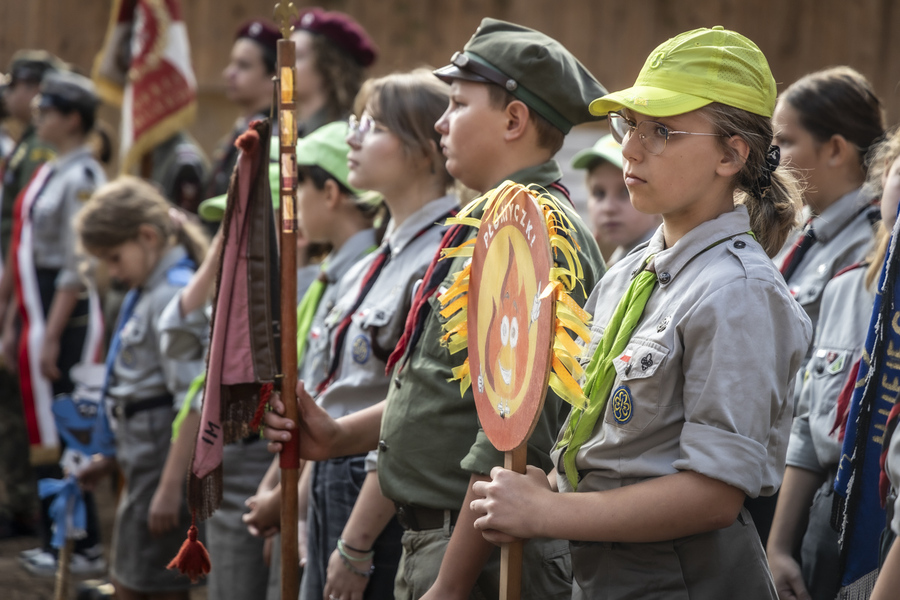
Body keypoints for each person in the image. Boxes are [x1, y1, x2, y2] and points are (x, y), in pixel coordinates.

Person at [465, 26, 813, 599]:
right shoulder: (629, 273)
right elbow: (620, 449)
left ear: (732, 154)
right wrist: (550, 488)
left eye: (662, 132)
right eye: (630, 126)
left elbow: (711, 498)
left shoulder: (739, 293)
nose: (629, 148)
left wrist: (546, 516)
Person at [265, 18, 606, 599]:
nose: (441, 124)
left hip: (475, 552)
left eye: (456, 104)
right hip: (442, 540)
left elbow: (514, 433)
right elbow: (449, 396)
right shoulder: (489, 224)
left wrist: (449, 583)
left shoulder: (533, 232)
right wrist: (334, 436)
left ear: (514, 119)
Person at [750, 65, 885, 548]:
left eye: (785, 142)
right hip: (762, 464)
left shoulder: (871, 250)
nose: (773, 157)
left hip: (810, 485)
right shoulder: (801, 232)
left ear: (835, 149)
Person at [767, 127, 900, 600]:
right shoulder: (847, 290)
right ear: (883, 178)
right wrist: (779, 547)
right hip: (828, 517)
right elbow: (807, 424)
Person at [75, 176, 209, 600]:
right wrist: (111, 457)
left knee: (144, 586)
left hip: (160, 471)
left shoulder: (171, 293)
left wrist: (171, 488)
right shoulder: (149, 290)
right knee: (132, 580)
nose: (113, 273)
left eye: (115, 258)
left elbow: (191, 401)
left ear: (147, 237)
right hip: (141, 462)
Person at [3, 70, 107, 576]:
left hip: (67, 313)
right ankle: (53, 534)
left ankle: (79, 543)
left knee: (68, 422)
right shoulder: (51, 169)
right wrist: (13, 323)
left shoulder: (83, 177)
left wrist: (49, 333)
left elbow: (78, 263)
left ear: (72, 119)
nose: (38, 116)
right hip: (38, 305)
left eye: (48, 109)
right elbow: (21, 251)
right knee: (43, 423)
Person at [0, 51, 62, 541]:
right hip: (20, 288)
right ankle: (24, 503)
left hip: (34, 296)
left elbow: (32, 238)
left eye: (18, 84)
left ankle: (31, 509)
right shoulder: (29, 144)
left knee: (26, 404)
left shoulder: (41, 150)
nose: (12, 93)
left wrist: (16, 313)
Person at [204, 19, 281, 201]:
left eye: (243, 65)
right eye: (232, 63)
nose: (229, 73)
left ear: (273, 77)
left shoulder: (272, 138)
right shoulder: (242, 128)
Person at [572, 134, 660, 265]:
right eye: (599, 193)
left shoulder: (656, 264)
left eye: (626, 191)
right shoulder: (616, 260)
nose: (608, 208)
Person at [291, 7, 378, 136]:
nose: (282, 65)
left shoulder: (348, 132)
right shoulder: (296, 127)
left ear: (330, 66)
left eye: (297, 56)